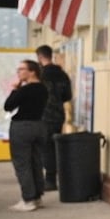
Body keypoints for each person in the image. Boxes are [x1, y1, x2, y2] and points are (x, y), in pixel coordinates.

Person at [4, 60, 49, 212]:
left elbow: (8, 106)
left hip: (22, 127)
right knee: (36, 161)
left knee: (22, 163)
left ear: (32, 72)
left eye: (22, 69)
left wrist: (15, 89)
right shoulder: (43, 89)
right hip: (39, 125)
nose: (19, 72)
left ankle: (28, 198)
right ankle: (37, 196)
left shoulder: (24, 90)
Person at [36, 45, 73, 191]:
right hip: (58, 115)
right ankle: (60, 177)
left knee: (46, 148)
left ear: (39, 57)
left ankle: (50, 180)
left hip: (44, 115)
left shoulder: (41, 75)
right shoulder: (62, 74)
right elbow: (67, 96)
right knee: (55, 146)